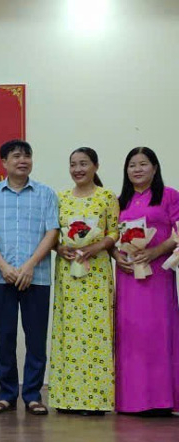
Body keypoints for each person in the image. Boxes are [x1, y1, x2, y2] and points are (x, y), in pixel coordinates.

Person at [0, 139, 59, 415]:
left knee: (36, 338)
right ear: (4, 162)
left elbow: (52, 232)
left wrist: (29, 265)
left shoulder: (46, 194)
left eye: (27, 156)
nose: (22, 161)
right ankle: (7, 394)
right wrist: (3, 266)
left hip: (37, 276)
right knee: (5, 337)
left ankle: (33, 395)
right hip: (2, 278)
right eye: (16, 156)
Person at [112, 147, 179, 415]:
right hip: (129, 276)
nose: (137, 169)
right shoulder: (120, 201)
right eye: (131, 165)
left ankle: (163, 401)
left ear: (155, 167)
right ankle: (131, 401)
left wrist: (155, 251)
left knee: (159, 333)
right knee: (131, 335)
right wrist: (118, 256)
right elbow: (109, 238)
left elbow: (177, 232)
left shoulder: (170, 196)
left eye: (143, 164)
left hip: (158, 274)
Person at [51, 148, 117, 415]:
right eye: (73, 164)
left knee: (97, 332)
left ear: (96, 166)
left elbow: (114, 230)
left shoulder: (107, 197)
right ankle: (66, 398)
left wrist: (97, 246)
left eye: (84, 164)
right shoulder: (61, 198)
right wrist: (59, 247)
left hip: (96, 269)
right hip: (68, 271)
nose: (78, 169)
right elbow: (53, 233)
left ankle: (96, 400)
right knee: (68, 332)